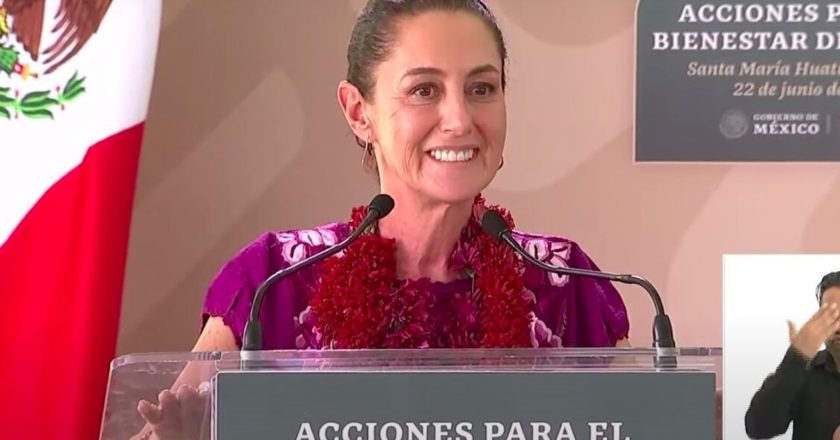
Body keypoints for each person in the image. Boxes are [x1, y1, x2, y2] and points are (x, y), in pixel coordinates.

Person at [134, 0, 630, 438]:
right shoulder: (273, 280)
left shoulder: (565, 281)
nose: (459, 119)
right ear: (358, 112)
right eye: (423, 90)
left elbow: (642, 425)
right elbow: (165, 428)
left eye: (481, 88)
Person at [745, 271, 840, 439]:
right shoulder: (805, 370)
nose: (838, 327)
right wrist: (796, 357)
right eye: (831, 315)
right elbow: (758, 428)